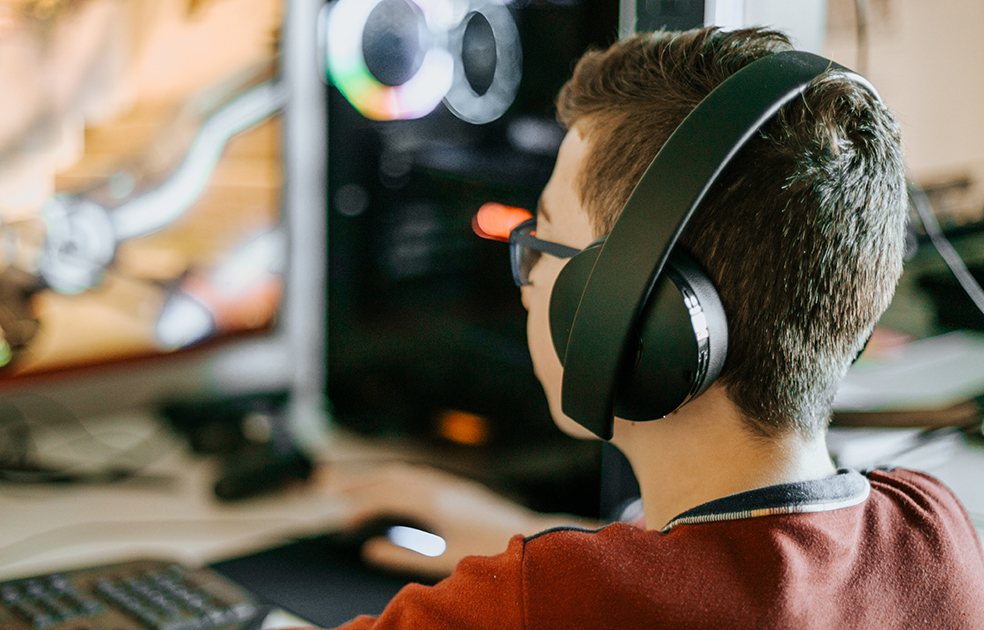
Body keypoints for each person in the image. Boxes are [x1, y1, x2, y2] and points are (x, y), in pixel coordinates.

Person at [318, 27, 984, 628]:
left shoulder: (538, 605)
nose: (524, 284)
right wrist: (519, 533)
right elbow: (729, 570)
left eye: (541, 243)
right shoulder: (933, 529)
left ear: (636, 311)